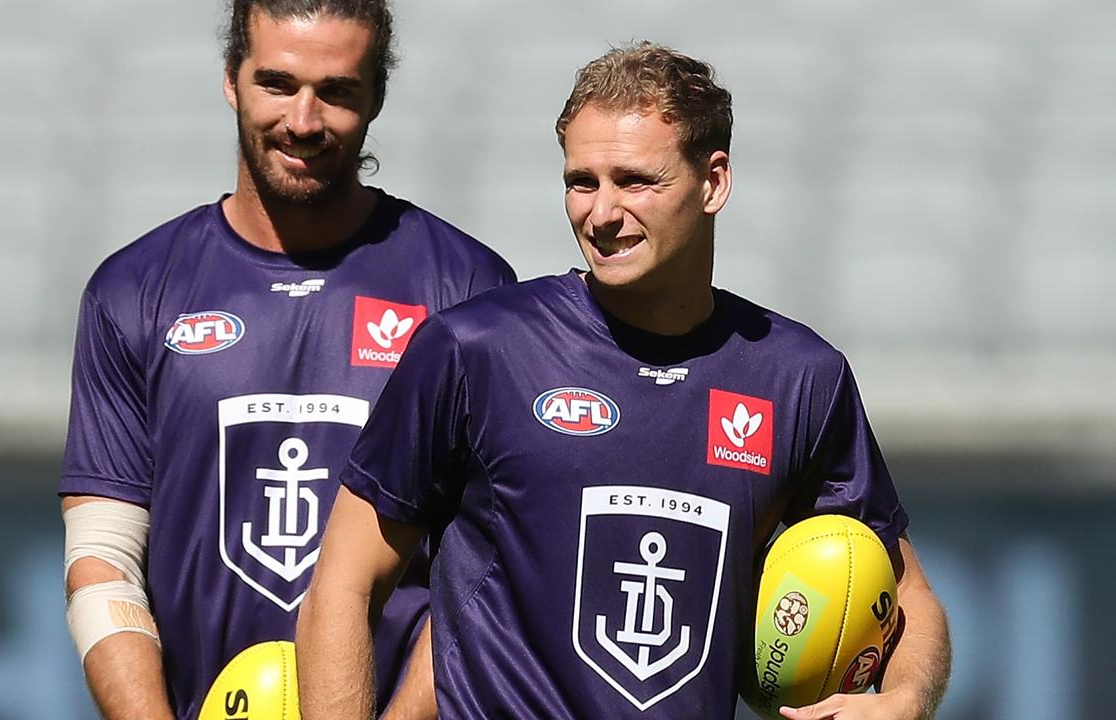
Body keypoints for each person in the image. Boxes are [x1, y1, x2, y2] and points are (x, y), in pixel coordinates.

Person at [296, 42, 951, 719]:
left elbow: (905, 594)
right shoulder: (475, 349)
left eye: (635, 181)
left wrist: (905, 698)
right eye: (582, 182)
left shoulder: (798, 378)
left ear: (714, 182)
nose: (601, 213)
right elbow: (343, 584)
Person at [58, 1, 515, 718]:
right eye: (277, 83)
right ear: (231, 80)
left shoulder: (465, 291)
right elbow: (103, 563)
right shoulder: (133, 292)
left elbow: (488, 571)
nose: (303, 121)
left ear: (378, 98)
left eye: (336, 92)